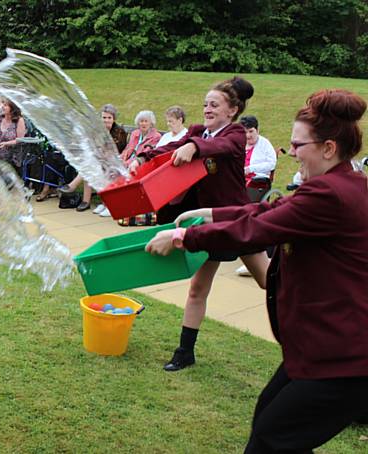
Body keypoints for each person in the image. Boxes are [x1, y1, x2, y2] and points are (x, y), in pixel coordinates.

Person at [145, 89, 368, 452]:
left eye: (298, 144)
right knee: (271, 422)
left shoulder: (330, 195)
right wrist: (210, 214)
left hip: (344, 357)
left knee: (271, 438)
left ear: (328, 148)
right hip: (321, 350)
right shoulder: (340, 185)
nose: (291, 152)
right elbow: (267, 212)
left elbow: (257, 230)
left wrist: (184, 236)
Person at [129, 77, 270, 371]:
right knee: (197, 289)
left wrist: (194, 147)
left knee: (270, 284)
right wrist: (142, 155)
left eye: (214, 104)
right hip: (207, 221)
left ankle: (310, 333)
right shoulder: (197, 132)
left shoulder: (235, 134)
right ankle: (185, 352)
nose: (207, 109)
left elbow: (218, 146)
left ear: (232, 110)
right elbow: (172, 148)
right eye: (205, 104)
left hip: (236, 219)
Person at [57, 104, 127, 213]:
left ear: (114, 119)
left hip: (115, 162)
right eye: (104, 117)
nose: (106, 120)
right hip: (99, 160)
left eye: (109, 118)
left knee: (91, 165)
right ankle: (84, 199)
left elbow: (115, 150)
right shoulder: (96, 130)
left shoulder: (119, 131)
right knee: (91, 165)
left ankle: (77, 191)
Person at [236, 115, 277, 277]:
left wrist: (249, 168)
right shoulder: (239, 144)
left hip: (256, 183)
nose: (248, 136)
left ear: (257, 130)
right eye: (245, 132)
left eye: (251, 132)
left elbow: (271, 163)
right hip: (238, 182)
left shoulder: (264, 144)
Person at [0, 98, 27, 173]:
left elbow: (20, 139)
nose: (2, 106)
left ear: (12, 108)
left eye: (5, 105)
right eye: (2, 104)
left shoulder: (19, 120)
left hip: (12, 160)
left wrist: (6, 143)